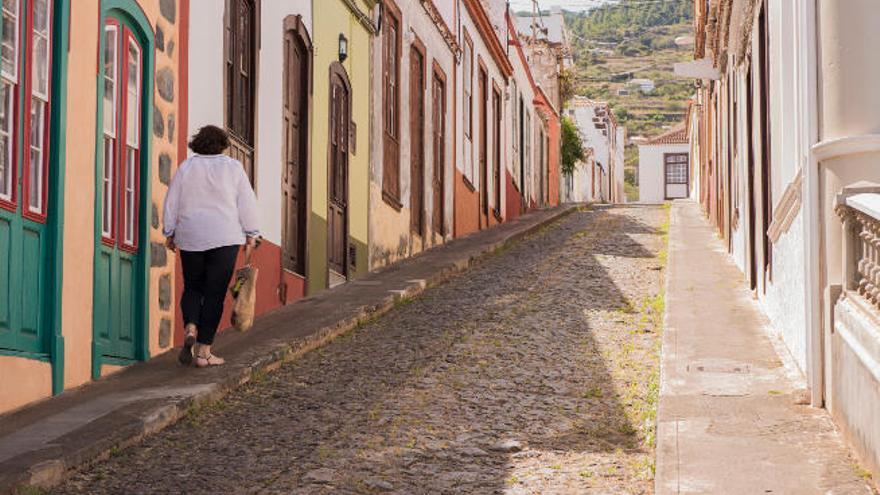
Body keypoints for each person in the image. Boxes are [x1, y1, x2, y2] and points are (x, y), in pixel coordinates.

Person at [162, 125, 259, 367]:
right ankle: (204, 351)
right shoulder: (233, 168)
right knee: (215, 293)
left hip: (191, 235)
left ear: (198, 144)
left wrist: (169, 231)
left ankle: (191, 326)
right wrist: (252, 232)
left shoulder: (186, 167)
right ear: (223, 145)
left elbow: (172, 200)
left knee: (193, 286)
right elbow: (246, 201)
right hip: (224, 236)